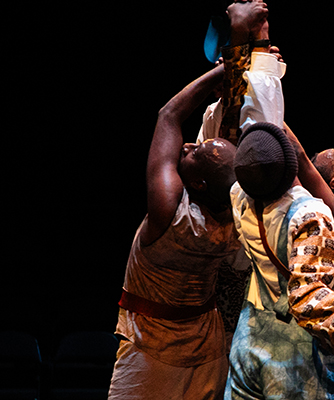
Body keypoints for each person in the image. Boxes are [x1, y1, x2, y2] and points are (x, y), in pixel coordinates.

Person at [221, 4, 334, 398]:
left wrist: (254, 53)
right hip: (297, 353)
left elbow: (261, 130)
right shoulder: (325, 214)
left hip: (251, 337)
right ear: (332, 179)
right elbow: (308, 302)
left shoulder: (241, 193)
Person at [108, 57, 239, 400]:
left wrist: (223, 70)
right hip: (207, 344)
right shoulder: (236, 216)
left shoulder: (171, 213)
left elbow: (168, 115)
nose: (189, 146)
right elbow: (229, 159)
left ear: (196, 183)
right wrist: (239, 85)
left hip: (151, 345)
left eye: (195, 153)